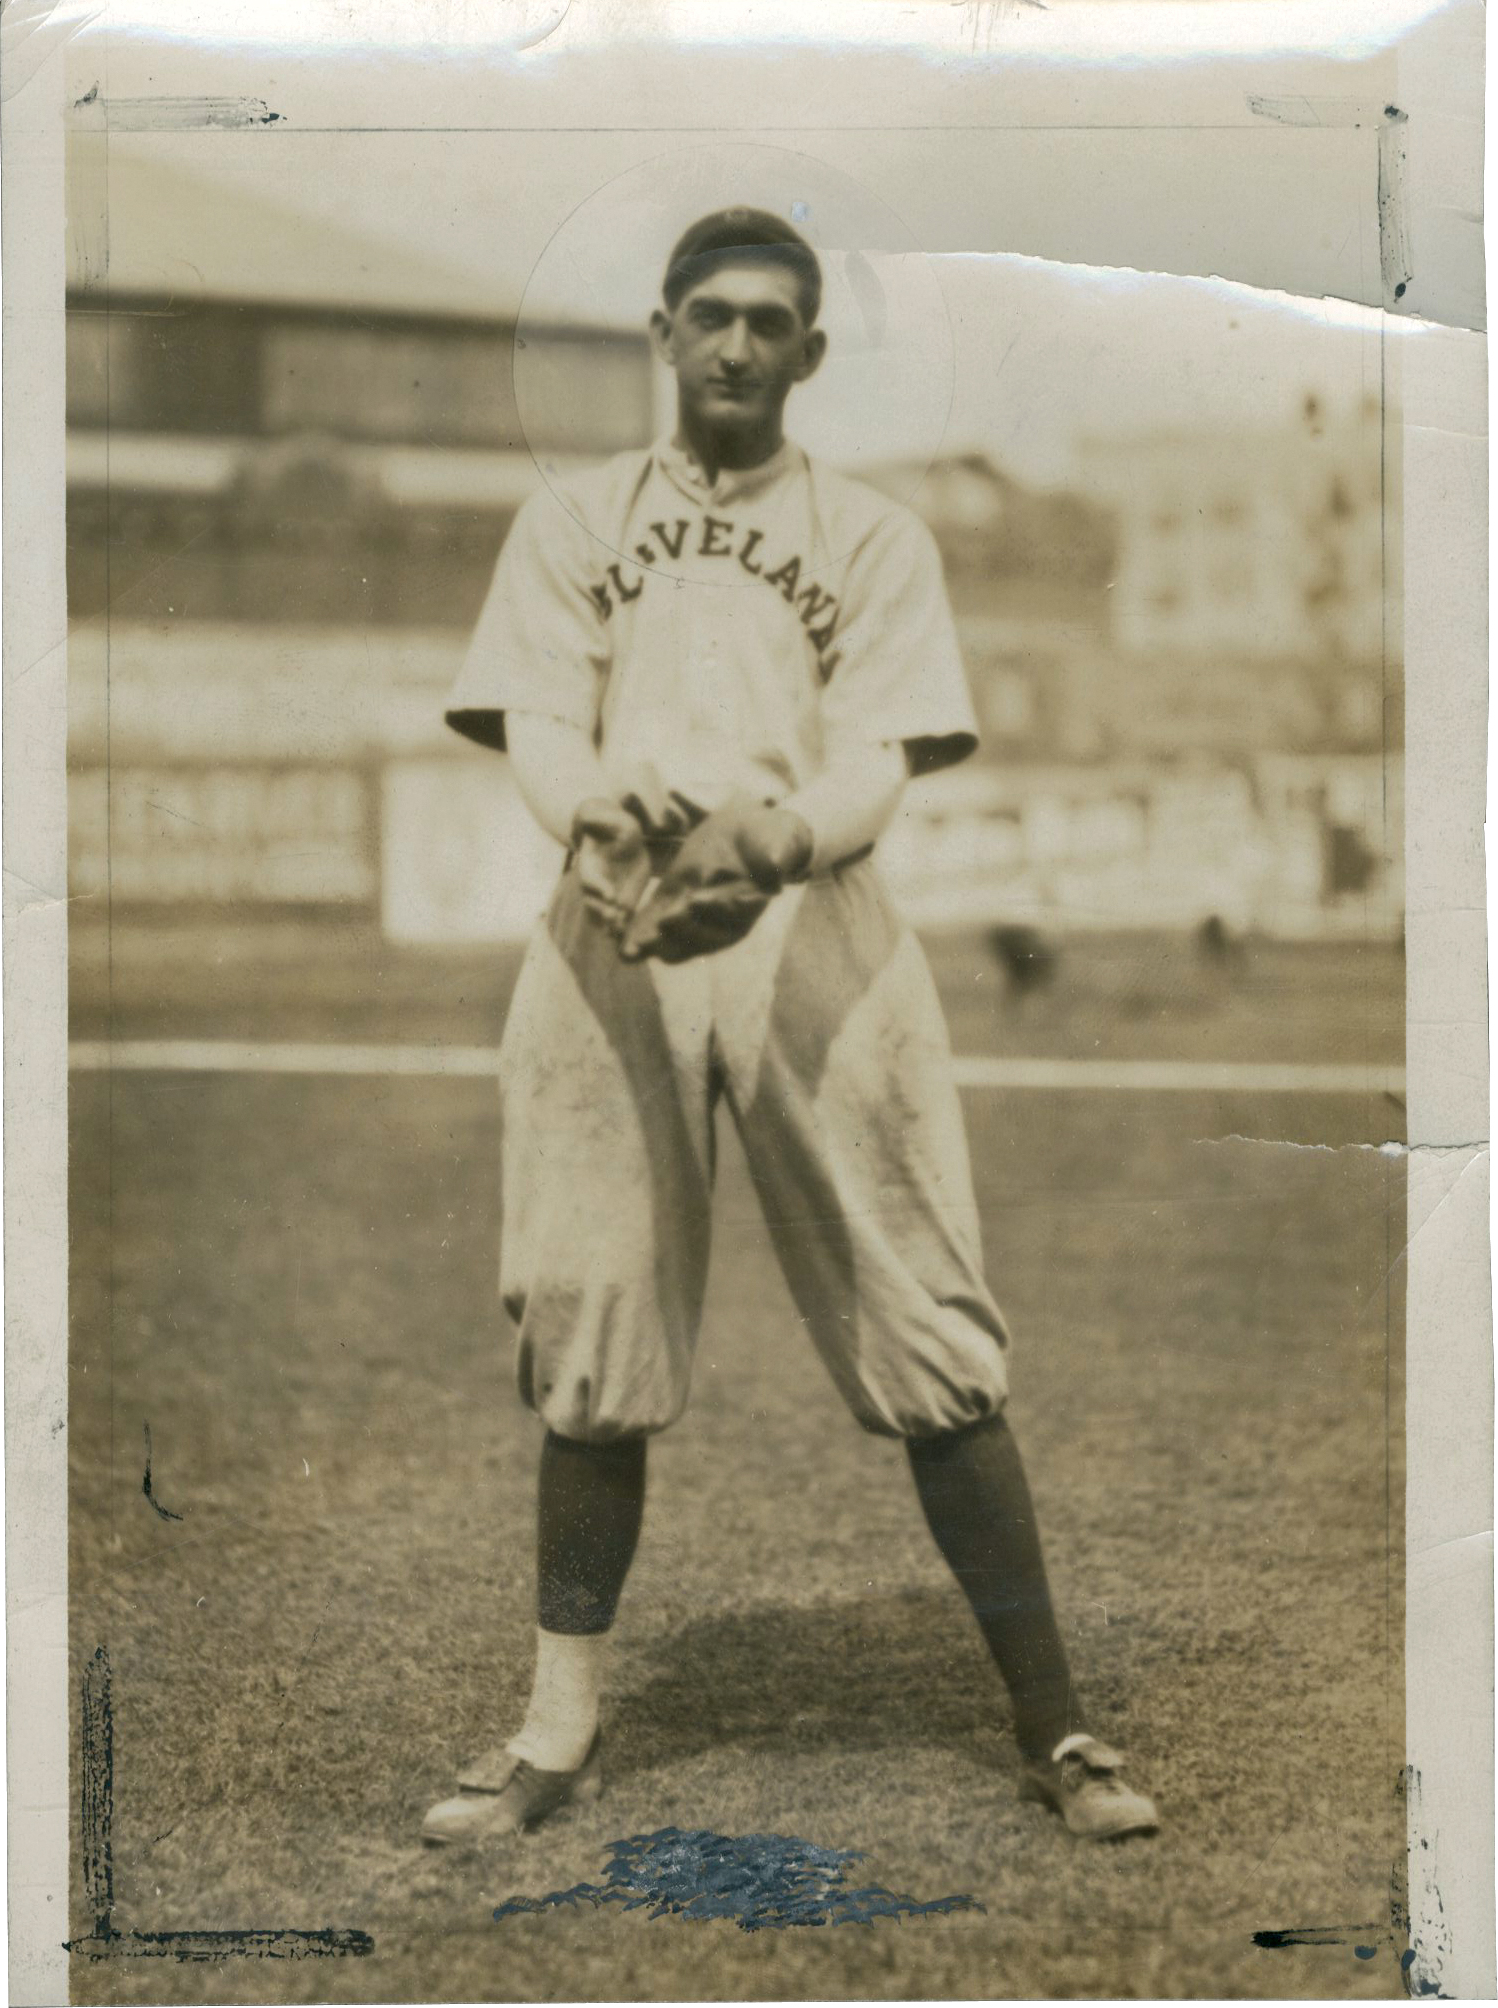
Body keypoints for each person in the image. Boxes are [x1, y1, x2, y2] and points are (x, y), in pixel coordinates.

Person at [424, 206, 1158, 1848]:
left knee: (933, 1331)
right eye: (711, 316)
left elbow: (885, 756)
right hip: (610, 924)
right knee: (590, 1328)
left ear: (810, 353)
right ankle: (555, 1727)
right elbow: (539, 724)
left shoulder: (877, 535)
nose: (740, 346)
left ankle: (1056, 1727)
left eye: (772, 322)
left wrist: (780, 834)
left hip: (814, 929)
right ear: (664, 333)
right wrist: (604, 797)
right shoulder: (570, 519)